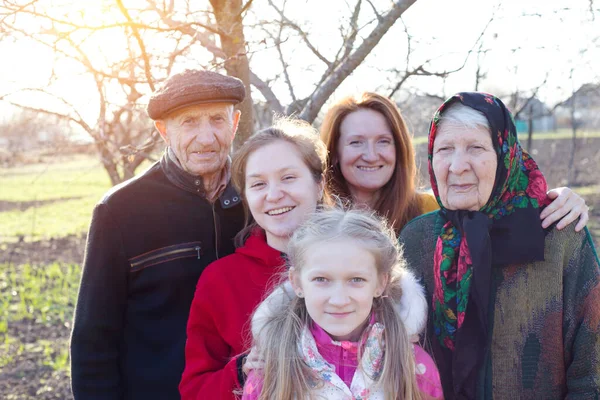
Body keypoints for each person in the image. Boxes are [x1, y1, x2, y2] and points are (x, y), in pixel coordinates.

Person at [398, 92, 600, 399]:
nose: (457, 165)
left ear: (505, 154)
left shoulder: (556, 232)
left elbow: (592, 368)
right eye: (445, 149)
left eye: (476, 148)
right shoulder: (417, 239)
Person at [70, 69, 246, 399]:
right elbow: (93, 340)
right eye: (190, 122)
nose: (206, 137)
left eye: (217, 120)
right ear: (164, 130)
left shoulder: (260, 198)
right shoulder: (120, 210)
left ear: (234, 123)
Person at [179, 118, 328, 399]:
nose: (274, 195)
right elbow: (194, 391)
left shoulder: (358, 260)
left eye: (288, 178)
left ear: (319, 184)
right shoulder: (221, 280)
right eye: (258, 184)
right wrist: (240, 370)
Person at [242, 208, 444, 400]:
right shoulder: (270, 368)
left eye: (356, 280)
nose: (339, 300)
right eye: (321, 279)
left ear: (381, 283)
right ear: (296, 282)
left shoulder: (414, 366)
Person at [320, 92, 590, 233]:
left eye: (383, 141)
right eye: (356, 142)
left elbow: (499, 199)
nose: (371, 154)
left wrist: (560, 199)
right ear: (335, 151)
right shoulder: (316, 220)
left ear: (400, 149)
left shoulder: (432, 212)